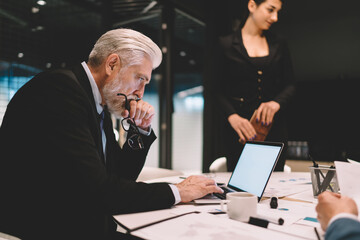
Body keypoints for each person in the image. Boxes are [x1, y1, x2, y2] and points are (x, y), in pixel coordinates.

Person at [0, 28, 223, 240]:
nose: (140, 92)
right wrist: (177, 191)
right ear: (112, 64)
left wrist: (139, 130)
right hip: (46, 229)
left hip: (79, 223)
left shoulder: (97, 102)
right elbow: (99, 192)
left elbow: (119, 177)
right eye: (140, 78)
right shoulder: (59, 92)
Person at [216, 0, 295, 172]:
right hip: (240, 131)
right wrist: (232, 116)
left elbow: (290, 84)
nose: (275, 17)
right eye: (270, 10)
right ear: (252, 6)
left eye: (278, 12)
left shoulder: (279, 43)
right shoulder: (226, 44)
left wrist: (276, 103)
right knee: (240, 188)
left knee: (276, 186)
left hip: (274, 128)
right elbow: (216, 89)